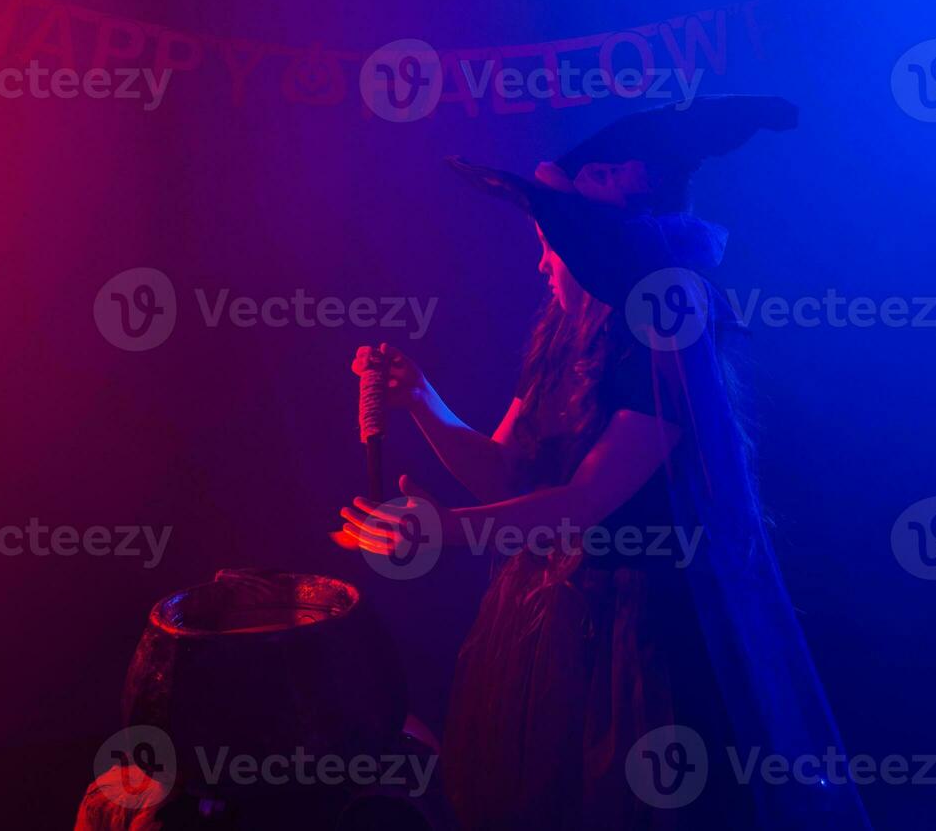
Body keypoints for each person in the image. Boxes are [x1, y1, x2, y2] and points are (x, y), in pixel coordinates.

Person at [333, 96, 873, 830]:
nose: (541, 260)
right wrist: (423, 402)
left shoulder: (667, 338)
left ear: (597, 246)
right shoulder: (565, 329)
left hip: (639, 631)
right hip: (549, 612)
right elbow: (507, 472)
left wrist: (440, 532)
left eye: (551, 242)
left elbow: (584, 502)